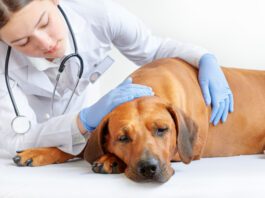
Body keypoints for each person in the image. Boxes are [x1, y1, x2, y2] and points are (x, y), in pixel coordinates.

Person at [0, 0, 233, 157]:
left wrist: (204, 58)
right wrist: (84, 120)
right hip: (40, 147)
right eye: (22, 42)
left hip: (95, 146)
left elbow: (152, 50)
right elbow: (15, 140)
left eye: (45, 23)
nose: (45, 43)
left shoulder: (98, 12)